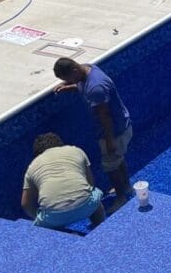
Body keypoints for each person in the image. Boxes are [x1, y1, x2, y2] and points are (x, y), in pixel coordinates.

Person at [52, 57, 132, 199]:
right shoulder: (88, 68)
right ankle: (125, 186)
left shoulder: (96, 88)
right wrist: (69, 86)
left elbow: (105, 117)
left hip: (114, 131)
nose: (72, 82)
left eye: (69, 78)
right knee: (117, 159)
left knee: (110, 165)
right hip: (120, 124)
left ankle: (121, 198)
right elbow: (83, 85)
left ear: (74, 70)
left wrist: (109, 141)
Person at [21, 133, 105, 229]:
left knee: (46, 223)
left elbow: (25, 204)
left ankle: (59, 235)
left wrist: (37, 216)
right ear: (61, 144)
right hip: (85, 207)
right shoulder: (76, 151)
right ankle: (100, 228)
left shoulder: (32, 167)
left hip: (54, 217)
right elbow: (91, 183)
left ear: (37, 154)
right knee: (96, 200)